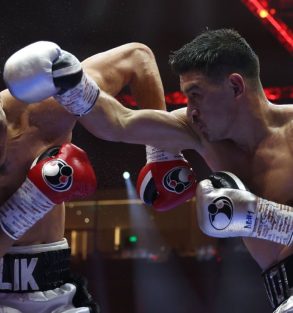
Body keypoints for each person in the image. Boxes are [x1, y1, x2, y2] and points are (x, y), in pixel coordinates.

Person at [3, 28, 293, 312]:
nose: (189, 109)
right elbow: (119, 122)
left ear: (235, 86)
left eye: (196, 95)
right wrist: (70, 82)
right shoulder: (195, 131)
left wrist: (264, 218)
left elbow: (136, 58)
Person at [0, 41, 169, 313]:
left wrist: (163, 154)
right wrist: (31, 202)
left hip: (57, 291)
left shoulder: (42, 111)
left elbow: (138, 58)